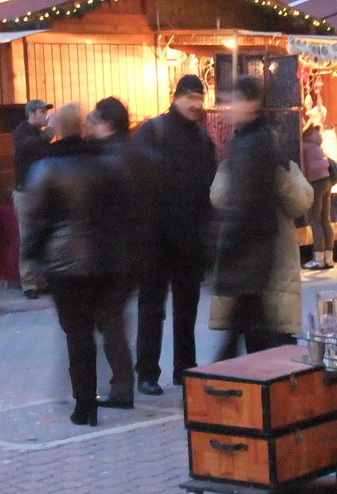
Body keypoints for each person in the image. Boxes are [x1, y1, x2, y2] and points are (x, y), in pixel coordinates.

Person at [20, 103, 138, 427]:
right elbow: (125, 211)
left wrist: (33, 255)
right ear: (83, 128)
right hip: (106, 260)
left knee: (77, 334)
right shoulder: (108, 164)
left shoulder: (45, 168)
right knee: (105, 327)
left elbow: (37, 220)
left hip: (64, 265)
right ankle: (112, 385)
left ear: (57, 130)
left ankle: (84, 405)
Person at [132, 74, 217, 396]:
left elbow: (210, 185)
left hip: (190, 238)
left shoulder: (202, 138)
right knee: (152, 308)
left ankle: (185, 368)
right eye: (191, 97)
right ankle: (147, 373)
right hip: (154, 239)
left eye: (201, 97)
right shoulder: (152, 131)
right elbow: (134, 181)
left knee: (187, 309)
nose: (197, 104)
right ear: (176, 97)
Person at [83, 96, 161, 409]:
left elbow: (98, 210)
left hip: (114, 253)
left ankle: (122, 387)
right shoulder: (145, 156)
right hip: (146, 248)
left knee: (109, 318)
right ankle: (130, 381)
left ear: (107, 124)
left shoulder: (104, 159)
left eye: (95, 119)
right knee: (124, 315)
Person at [212, 76, 290, 359]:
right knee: (249, 323)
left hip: (248, 246)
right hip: (253, 244)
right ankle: (255, 377)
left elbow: (243, 199)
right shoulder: (254, 138)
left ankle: (224, 380)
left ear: (251, 103)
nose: (227, 107)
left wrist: (224, 240)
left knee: (247, 325)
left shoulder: (251, 142)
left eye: (233, 101)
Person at [12, 98, 53, 298]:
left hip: (39, 192)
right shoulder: (22, 133)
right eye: (42, 112)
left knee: (42, 235)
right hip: (25, 192)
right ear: (32, 114)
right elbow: (35, 147)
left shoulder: (37, 134)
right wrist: (51, 131)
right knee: (27, 237)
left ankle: (41, 280)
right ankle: (29, 283)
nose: (46, 115)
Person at [300, 123, 336, 270]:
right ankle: (329, 258)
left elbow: (303, 168)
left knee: (314, 219)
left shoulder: (304, 146)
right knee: (325, 219)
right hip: (327, 181)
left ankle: (318, 258)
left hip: (315, 183)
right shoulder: (317, 145)